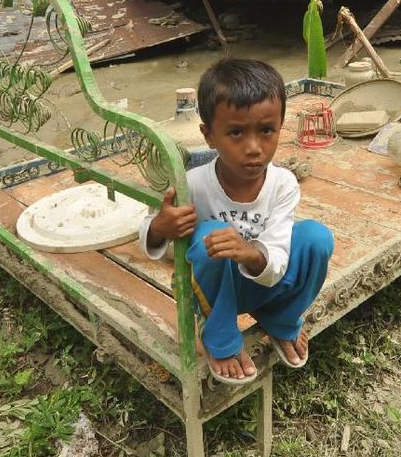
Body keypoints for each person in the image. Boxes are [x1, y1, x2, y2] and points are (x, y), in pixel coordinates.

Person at [139, 58, 334, 384]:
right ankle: (221, 339)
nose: (254, 148)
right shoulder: (194, 184)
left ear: (280, 127)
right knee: (210, 236)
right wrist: (162, 227)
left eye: (266, 130)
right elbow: (148, 236)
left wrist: (248, 252)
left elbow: (278, 253)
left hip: (266, 282)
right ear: (209, 136)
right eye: (236, 133)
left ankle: (280, 317)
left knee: (317, 238)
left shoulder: (283, 183)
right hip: (215, 296)